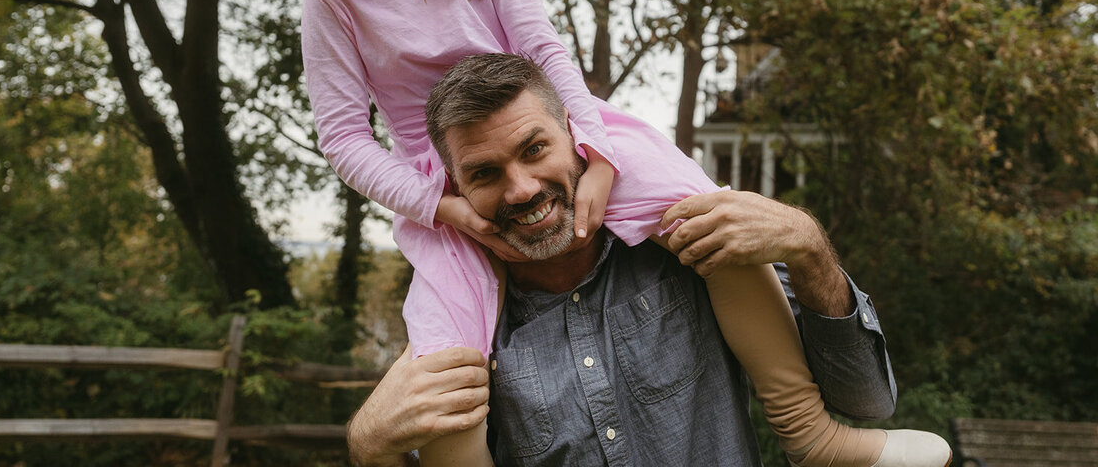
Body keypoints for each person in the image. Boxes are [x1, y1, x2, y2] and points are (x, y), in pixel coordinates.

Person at [301, 0, 950, 467]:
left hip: (567, 130)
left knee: (705, 220)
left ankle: (809, 433)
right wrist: (440, 208)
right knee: (444, 355)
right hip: (451, 186)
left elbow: (547, 55)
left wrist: (599, 156)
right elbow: (342, 137)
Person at [345, 54, 952, 467]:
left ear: (576, 135)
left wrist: (811, 251)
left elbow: (869, 405)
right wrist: (369, 448)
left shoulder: (694, 254)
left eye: (535, 149)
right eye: (485, 173)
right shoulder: (462, 323)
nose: (523, 188)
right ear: (453, 188)